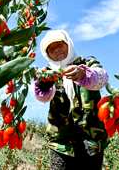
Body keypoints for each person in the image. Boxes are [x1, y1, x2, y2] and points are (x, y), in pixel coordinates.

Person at [34, 29, 109, 170]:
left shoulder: (87, 63)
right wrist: (45, 82)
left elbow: (102, 78)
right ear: (47, 54)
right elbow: (42, 96)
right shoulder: (47, 73)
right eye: (51, 49)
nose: (57, 50)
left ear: (68, 44)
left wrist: (83, 74)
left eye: (60, 45)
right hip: (61, 144)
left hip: (92, 140)